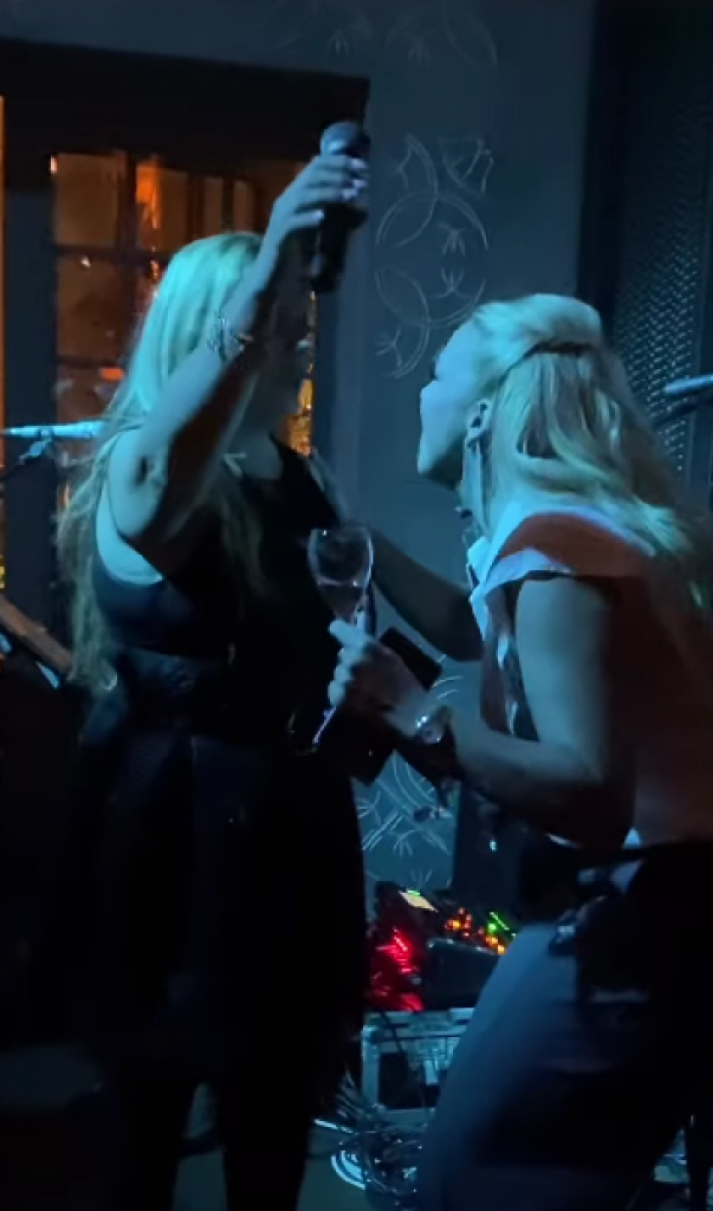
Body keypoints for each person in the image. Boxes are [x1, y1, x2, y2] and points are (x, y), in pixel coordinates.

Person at [326, 293, 713, 1211]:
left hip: (674, 906)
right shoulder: (566, 532)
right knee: (538, 1168)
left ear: (481, 414)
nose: (420, 392)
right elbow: (474, 632)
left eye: (436, 374)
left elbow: (589, 791)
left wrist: (416, 716)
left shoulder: (553, 550)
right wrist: (363, 547)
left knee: (481, 1173)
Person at [54, 151, 370, 1211]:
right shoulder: (141, 472)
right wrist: (275, 249)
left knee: (273, 1116)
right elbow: (159, 474)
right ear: (216, 333)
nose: (297, 340)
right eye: (276, 322)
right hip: (173, 832)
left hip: (286, 823)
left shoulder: (295, 473)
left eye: (295, 320)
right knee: (146, 1120)